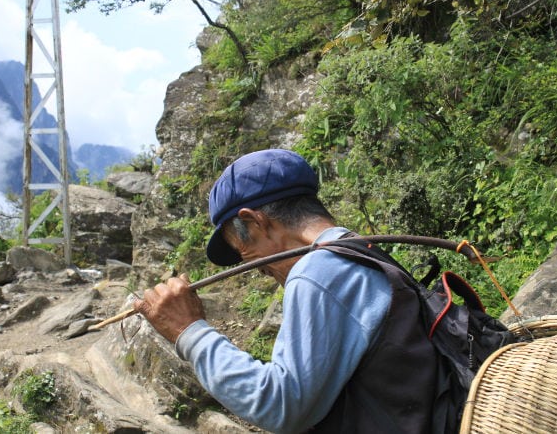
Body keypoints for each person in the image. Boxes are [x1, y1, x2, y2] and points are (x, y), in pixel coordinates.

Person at [134, 149, 438, 433]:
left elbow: (280, 404)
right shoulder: (357, 248)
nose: (259, 269)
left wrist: (189, 331)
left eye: (244, 250)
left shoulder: (319, 271)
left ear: (254, 222)